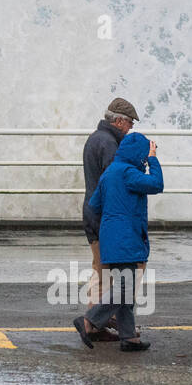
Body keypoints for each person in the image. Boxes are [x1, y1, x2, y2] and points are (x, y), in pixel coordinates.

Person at [73, 131, 162, 352]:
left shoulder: (110, 172)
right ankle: (89, 320)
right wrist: (153, 158)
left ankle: (129, 337)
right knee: (126, 287)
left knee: (125, 286)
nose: (144, 158)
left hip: (110, 237)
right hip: (127, 237)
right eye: (143, 154)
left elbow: (95, 204)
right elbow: (157, 184)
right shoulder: (128, 173)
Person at [81, 98, 138, 339]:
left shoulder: (96, 138)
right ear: (117, 121)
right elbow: (114, 185)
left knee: (101, 271)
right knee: (115, 275)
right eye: (129, 123)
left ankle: (100, 320)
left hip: (93, 213)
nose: (131, 128)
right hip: (104, 218)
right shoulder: (109, 144)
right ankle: (93, 322)